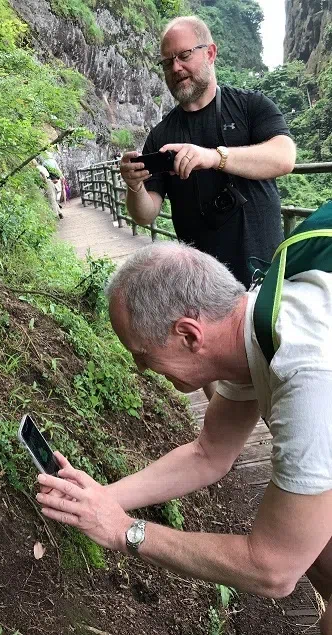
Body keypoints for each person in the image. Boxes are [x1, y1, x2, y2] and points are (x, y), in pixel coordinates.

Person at [36, 242, 332, 634]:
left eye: (142, 354)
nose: (140, 370)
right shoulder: (258, 325)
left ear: (189, 335)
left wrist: (125, 530)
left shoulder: (309, 379)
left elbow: (273, 568)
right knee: (314, 542)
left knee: (298, 543)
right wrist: (102, 500)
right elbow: (208, 453)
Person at [119, 15, 296, 400]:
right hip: (201, 283)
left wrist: (213, 157)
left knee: (279, 365)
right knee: (214, 371)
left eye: (183, 56)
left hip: (260, 265)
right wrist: (134, 187)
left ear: (210, 52)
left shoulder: (250, 106)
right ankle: (223, 436)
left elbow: (284, 157)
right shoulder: (162, 134)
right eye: (167, 62)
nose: (176, 68)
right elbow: (146, 213)